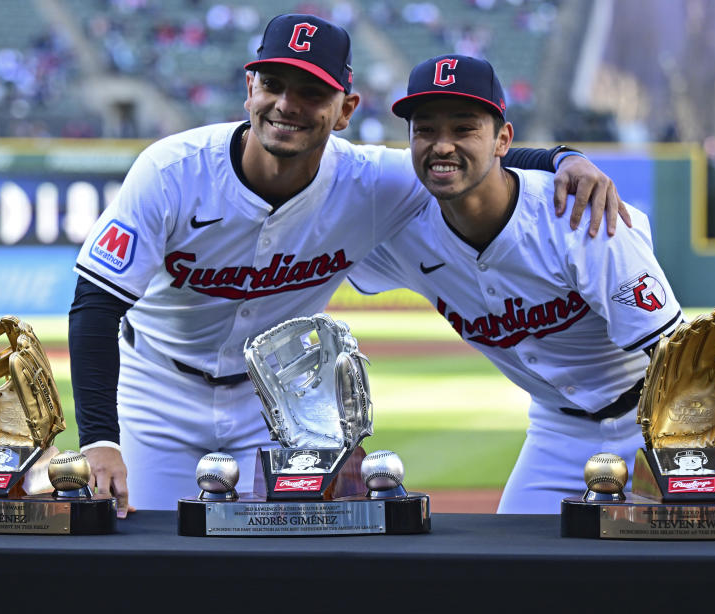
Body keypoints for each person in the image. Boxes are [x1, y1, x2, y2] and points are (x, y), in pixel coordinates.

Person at [68, 14, 630, 516]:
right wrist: (99, 439)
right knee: (149, 555)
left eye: (312, 92)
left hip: (275, 404)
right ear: (249, 89)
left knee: (281, 567)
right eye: (273, 84)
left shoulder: (373, 184)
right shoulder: (172, 171)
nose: (287, 104)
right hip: (157, 388)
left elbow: (467, 157)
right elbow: (96, 304)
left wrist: (562, 158)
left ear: (345, 110)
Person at [346, 54, 684, 514]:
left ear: (503, 138)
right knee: (512, 568)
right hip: (557, 433)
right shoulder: (403, 231)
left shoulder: (580, 215)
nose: (442, 145)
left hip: (658, 421)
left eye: (464, 128)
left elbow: (681, 361)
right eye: (425, 130)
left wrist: (685, 458)